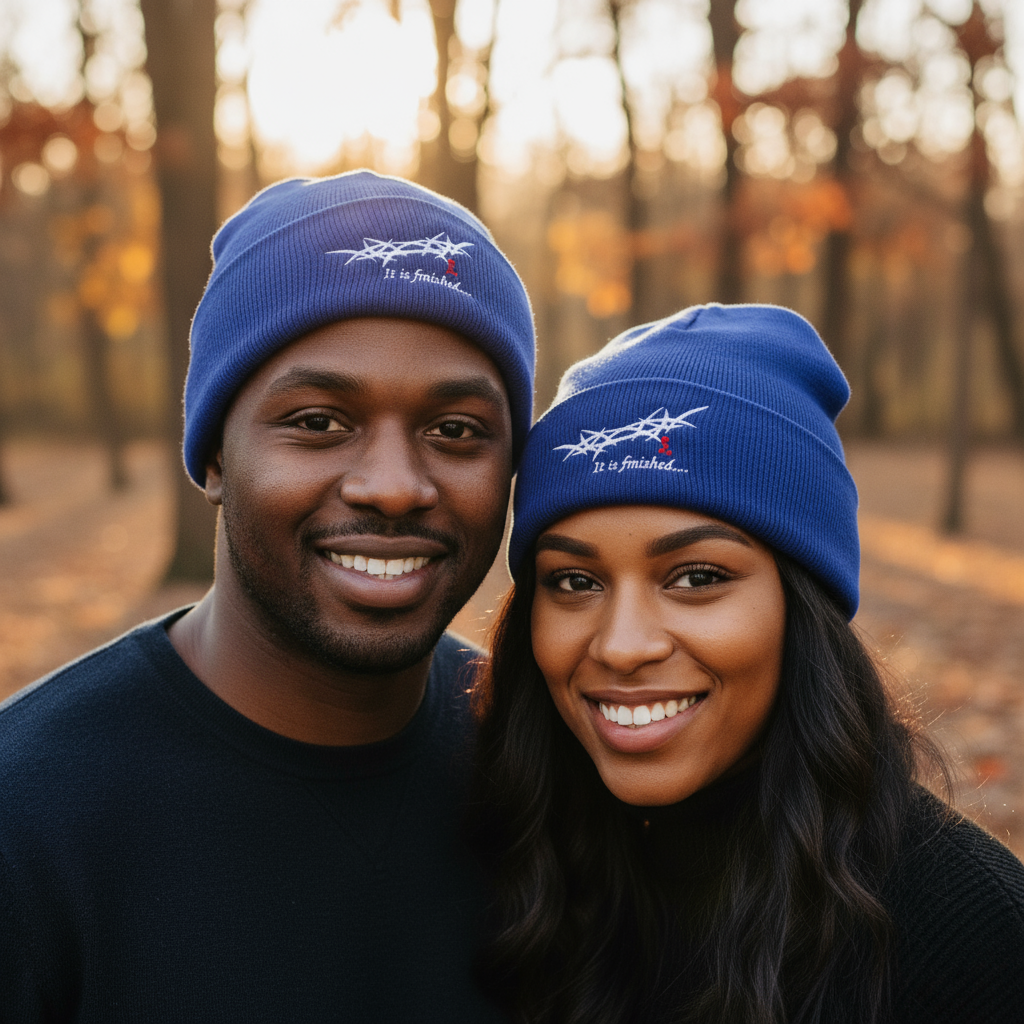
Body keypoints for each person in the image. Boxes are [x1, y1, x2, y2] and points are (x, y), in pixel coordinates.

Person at [0, 170, 534, 1021]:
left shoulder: (546, 779)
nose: (394, 486)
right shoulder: (27, 821)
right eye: (319, 422)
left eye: (455, 431)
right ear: (215, 455)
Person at [471, 304, 1024, 1024]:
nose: (622, 645)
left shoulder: (975, 937)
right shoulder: (501, 863)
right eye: (575, 581)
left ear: (803, 605)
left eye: (697, 577)